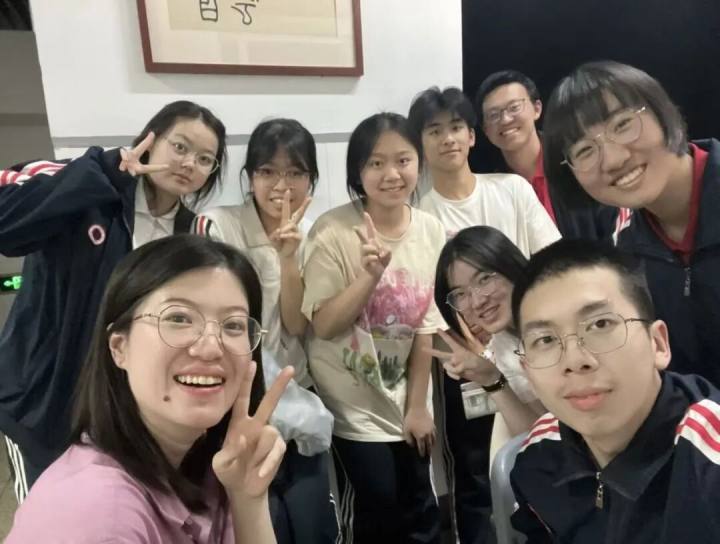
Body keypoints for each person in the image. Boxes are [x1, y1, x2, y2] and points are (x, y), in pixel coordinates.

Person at [0, 100, 227, 500]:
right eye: (180, 146)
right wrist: (101, 172)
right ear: (150, 140)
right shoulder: (88, 187)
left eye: (205, 158)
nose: (189, 163)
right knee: (50, 515)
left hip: (121, 410)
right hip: (43, 401)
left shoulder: (192, 235)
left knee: (109, 513)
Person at [6, 234, 294, 543]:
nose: (212, 347)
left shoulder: (212, 462)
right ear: (120, 347)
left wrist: (248, 499)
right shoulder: (97, 514)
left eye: (233, 325)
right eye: (179, 318)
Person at [407, 86, 558, 543]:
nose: (448, 138)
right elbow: (422, 297)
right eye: (434, 131)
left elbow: (549, 260)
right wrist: (468, 344)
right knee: (477, 472)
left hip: (530, 344)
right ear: (421, 143)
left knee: (546, 444)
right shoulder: (416, 215)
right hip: (462, 360)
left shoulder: (510, 189)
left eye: (456, 127)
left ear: (472, 135)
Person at [509, 239, 720, 543]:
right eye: (545, 340)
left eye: (600, 324)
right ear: (527, 370)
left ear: (658, 344)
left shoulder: (708, 465)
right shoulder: (540, 455)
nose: (575, 360)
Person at [301, 112, 445, 543]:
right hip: (351, 402)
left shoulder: (430, 230)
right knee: (376, 509)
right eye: (376, 163)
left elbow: (425, 326)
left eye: (403, 160)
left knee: (420, 506)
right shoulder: (332, 231)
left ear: (418, 163)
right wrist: (369, 275)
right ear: (357, 172)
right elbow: (324, 325)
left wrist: (417, 407)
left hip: (406, 399)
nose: (391, 174)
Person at [194, 118, 338, 543]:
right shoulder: (218, 226)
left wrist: (289, 258)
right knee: (262, 522)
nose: (282, 185)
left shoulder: (313, 236)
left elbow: (295, 324)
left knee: (313, 524)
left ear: (311, 179)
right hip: (237, 402)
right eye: (268, 171)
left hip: (296, 395)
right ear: (250, 176)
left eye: (295, 172)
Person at [542, 60, 720, 386]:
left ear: (662, 111)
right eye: (584, 150)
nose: (613, 159)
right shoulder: (628, 250)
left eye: (622, 124)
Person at [475, 70, 619, 240]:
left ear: (537, 109)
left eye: (514, 108)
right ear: (485, 130)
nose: (505, 119)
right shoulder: (487, 189)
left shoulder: (576, 162)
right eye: (493, 115)